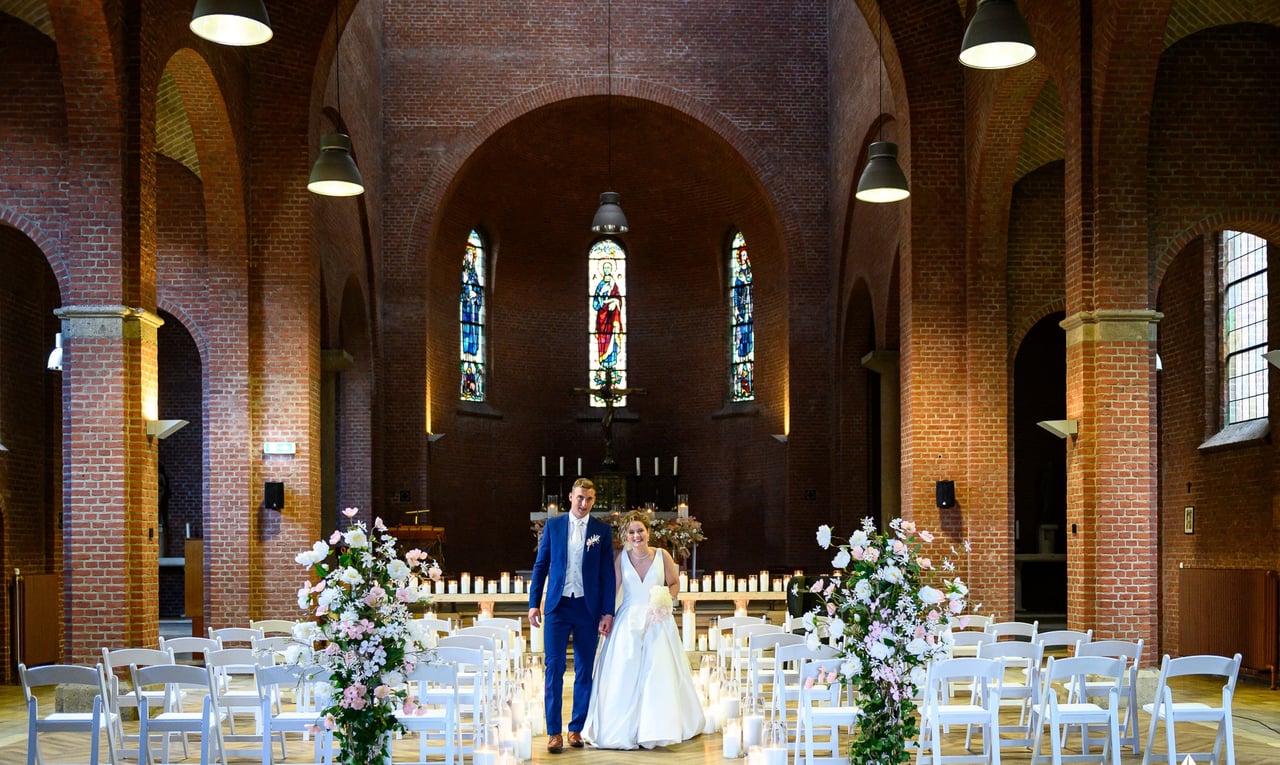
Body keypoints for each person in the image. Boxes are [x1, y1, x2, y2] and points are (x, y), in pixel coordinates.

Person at [582, 511, 704, 749]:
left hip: (657, 621)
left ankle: (657, 727)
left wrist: (664, 599)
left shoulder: (662, 555)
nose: (636, 535)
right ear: (625, 535)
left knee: (657, 672)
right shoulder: (621, 559)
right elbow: (613, 590)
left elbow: (675, 583)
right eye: (631, 532)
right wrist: (604, 614)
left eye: (640, 530)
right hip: (628, 622)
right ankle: (625, 727)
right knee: (624, 671)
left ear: (648, 532)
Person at [528, 478, 617, 753]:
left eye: (589, 499)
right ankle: (553, 732)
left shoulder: (601, 530)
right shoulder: (553, 526)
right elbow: (541, 565)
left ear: (593, 501)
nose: (583, 503)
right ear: (570, 496)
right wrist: (534, 603)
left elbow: (607, 575)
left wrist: (607, 612)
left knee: (583, 670)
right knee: (553, 669)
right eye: (579, 497)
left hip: (587, 609)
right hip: (557, 606)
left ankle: (575, 729)